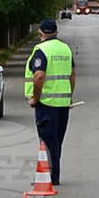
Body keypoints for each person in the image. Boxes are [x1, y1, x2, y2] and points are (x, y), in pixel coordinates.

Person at [27, 18, 74, 185]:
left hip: (46, 102)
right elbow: (72, 74)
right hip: (63, 103)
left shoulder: (41, 50)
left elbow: (39, 75)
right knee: (57, 141)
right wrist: (69, 95)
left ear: (40, 33)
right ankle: (54, 175)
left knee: (47, 141)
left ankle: (49, 176)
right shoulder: (65, 49)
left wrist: (35, 97)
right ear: (56, 32)